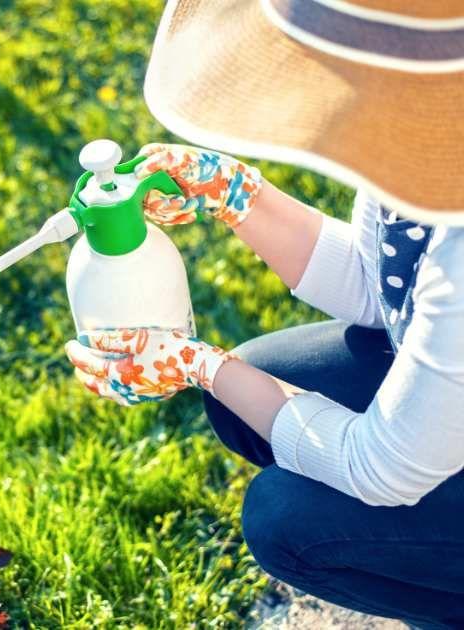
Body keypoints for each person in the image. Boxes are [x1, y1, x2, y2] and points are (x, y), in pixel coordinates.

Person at [64, 0, 464, 626]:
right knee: (261, 380)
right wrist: (237, 194)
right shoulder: (427, 135)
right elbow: (380, 284)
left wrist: (200, 364)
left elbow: (382, 469)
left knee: (287, 520)